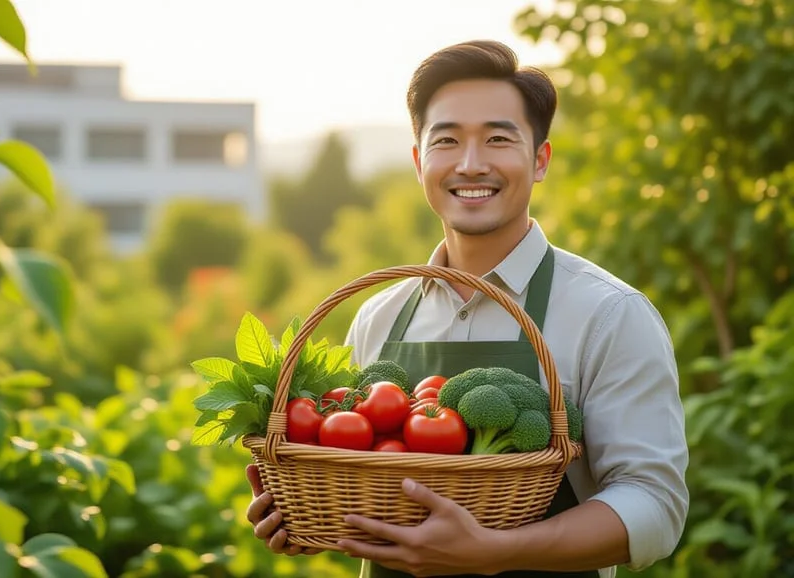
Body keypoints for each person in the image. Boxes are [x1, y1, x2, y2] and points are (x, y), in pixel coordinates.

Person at [244, 39, 689, 578]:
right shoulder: (378, 316)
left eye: (498, 139)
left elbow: (655, 507)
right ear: (419, 162)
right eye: (447, 140)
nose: (471, 164)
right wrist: (312, 517)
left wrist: (497, 552)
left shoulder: (610, 314)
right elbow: (368, 483)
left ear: (540, 159)